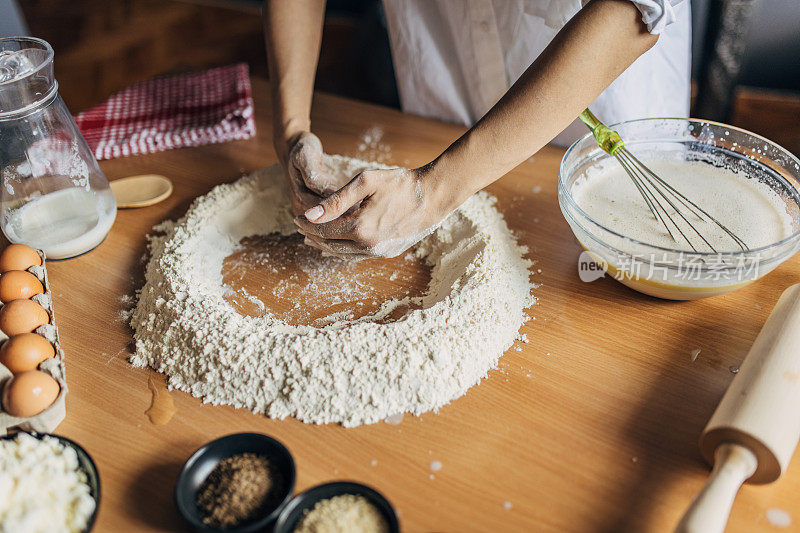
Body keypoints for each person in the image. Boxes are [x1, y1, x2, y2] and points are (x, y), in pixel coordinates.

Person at [263, 0, 690, 259]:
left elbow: (634, 9)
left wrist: (429, 193)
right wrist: (292, 130)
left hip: (606, 119)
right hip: (443, 106)